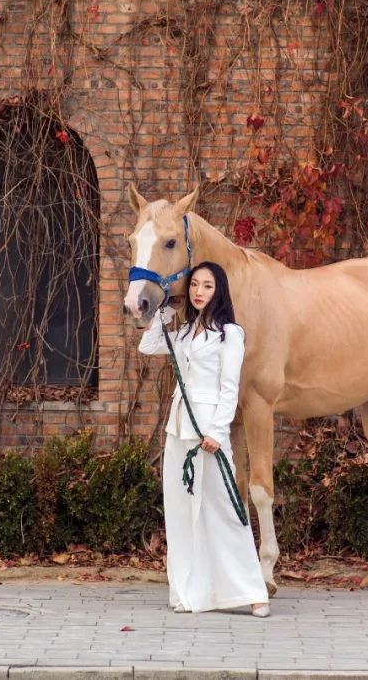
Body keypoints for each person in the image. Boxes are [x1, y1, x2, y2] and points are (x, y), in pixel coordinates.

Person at [138, 261, 271, 617]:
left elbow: (230, 388)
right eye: (195, 285)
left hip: (208, 429)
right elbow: (148, 346)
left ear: (219, 290)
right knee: (181, 514)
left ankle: (253, 590)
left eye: (207, 286)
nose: (199, 292)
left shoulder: (230, 334)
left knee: (225, 510)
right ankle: (190, 589)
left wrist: (217, 430)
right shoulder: (183, 333)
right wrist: (163, 312)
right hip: (178, 427)